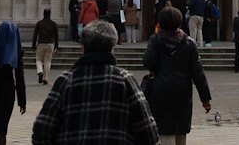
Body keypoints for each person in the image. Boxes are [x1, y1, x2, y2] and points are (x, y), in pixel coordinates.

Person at [32, 20, 160, 144]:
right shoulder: (126, 80)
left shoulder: (65, 81)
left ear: (83, 47)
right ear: (112, 47)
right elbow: (148, 133)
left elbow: (41, 131)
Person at [143, 7, 212, 145]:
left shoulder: (156, 40)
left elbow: (148, 62)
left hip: (160, 88)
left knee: (164, 129)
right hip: (182, 90)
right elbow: (198, 72)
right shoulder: (189, 42)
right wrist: (205, 98)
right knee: (181, 129)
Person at [32, 9, 59, 85]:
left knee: (38, 59)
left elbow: (35, 35)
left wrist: (33, 45)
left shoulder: (39, 23)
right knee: (47, 61)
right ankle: (46, 79)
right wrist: (57, 46)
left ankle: (40, 71)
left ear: (43, 14)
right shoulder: (53, 24)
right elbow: (56, 36)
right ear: (50, 14)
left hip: (41, 43)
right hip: (50, 44)